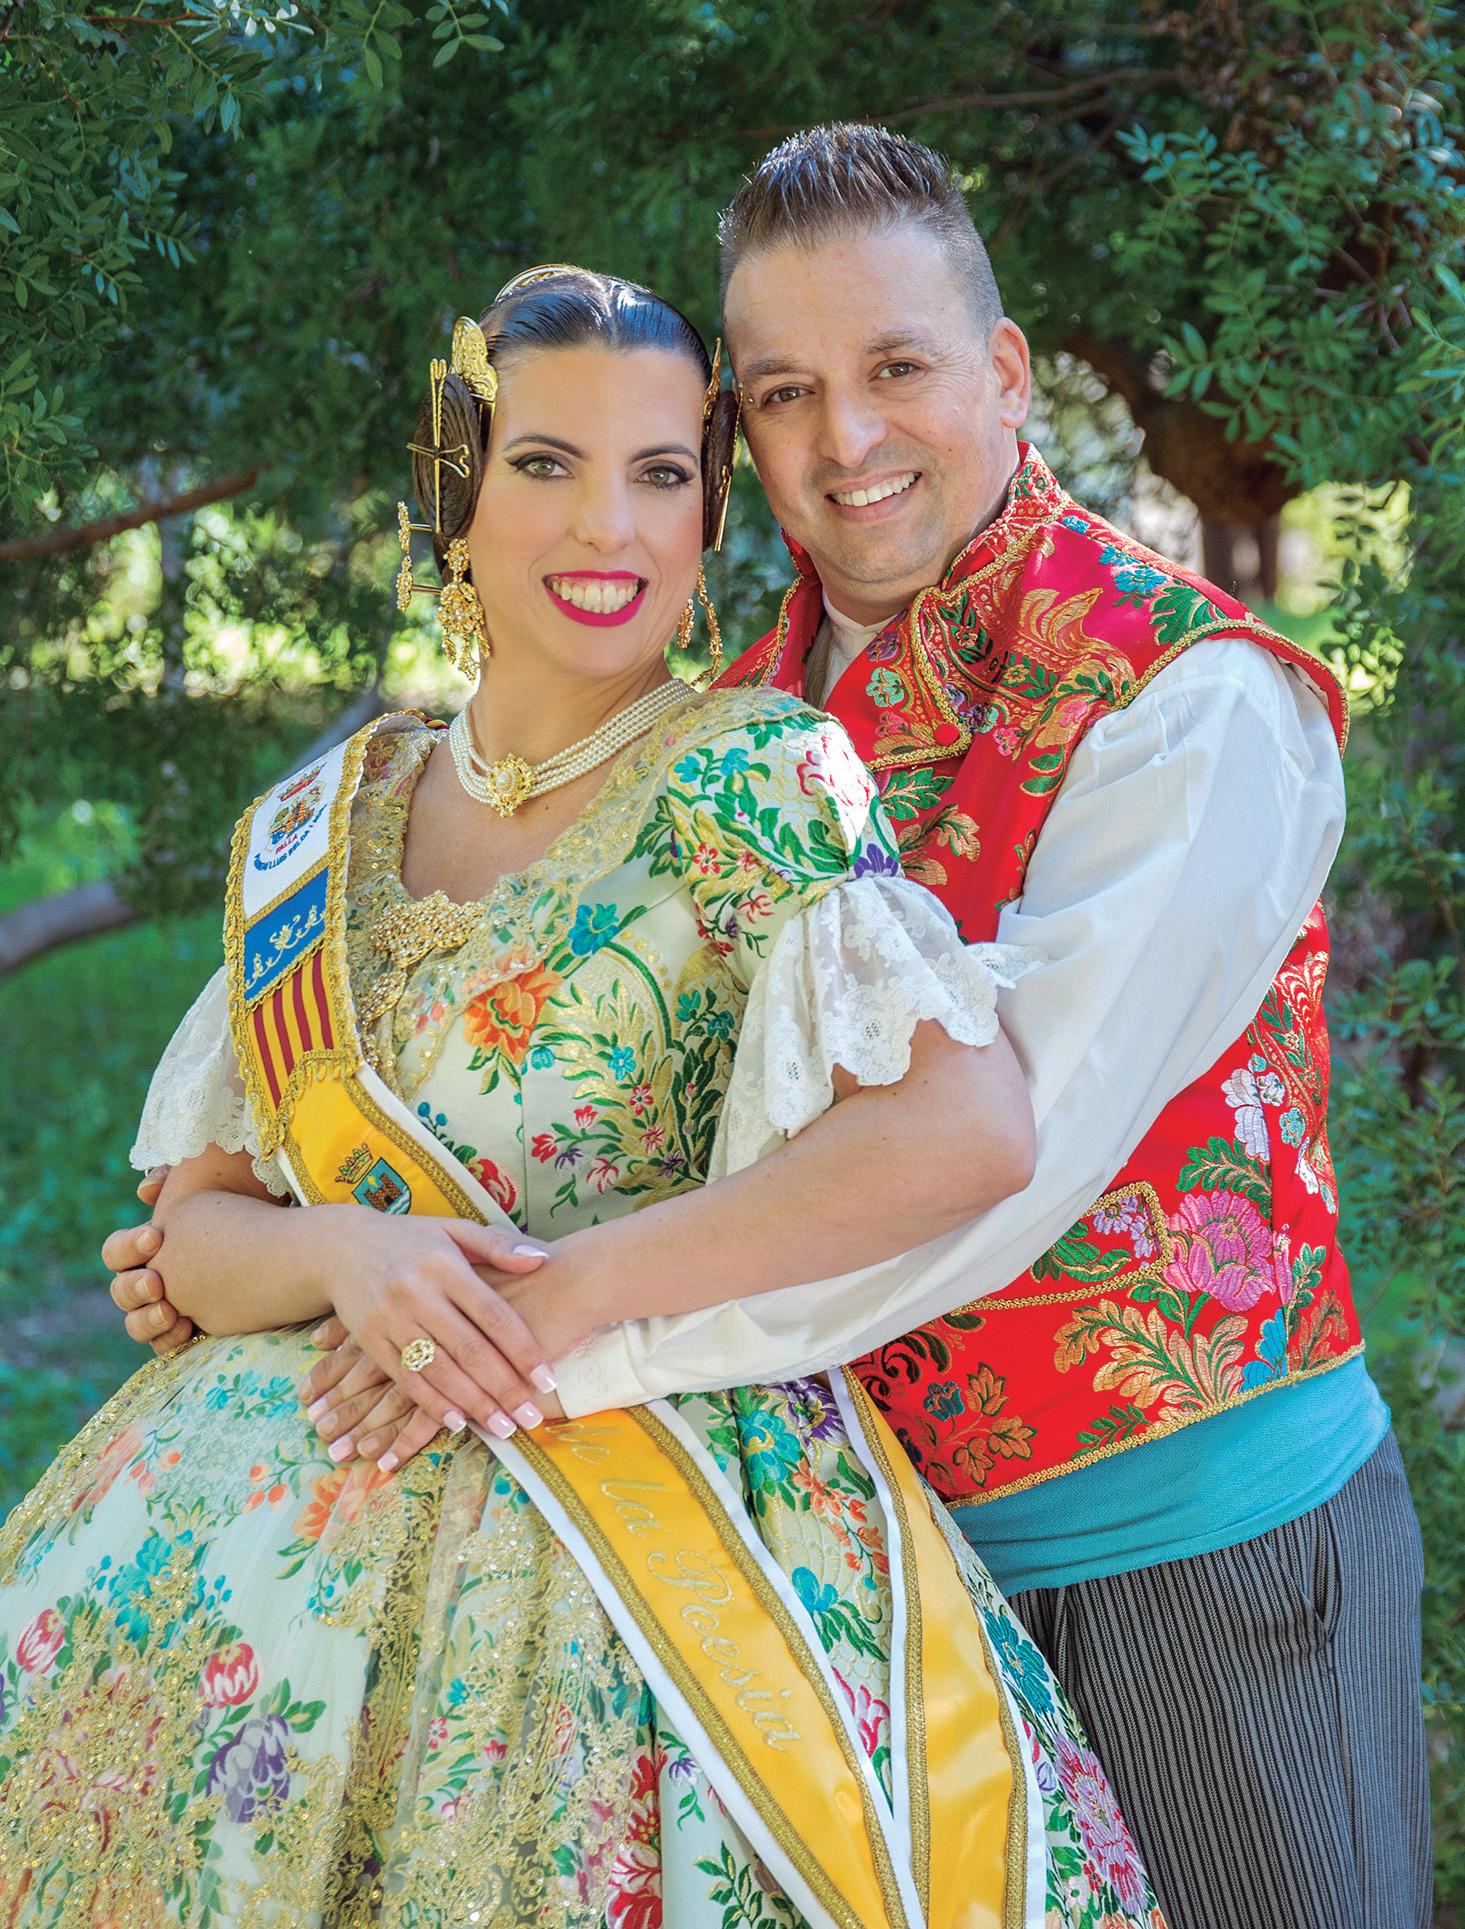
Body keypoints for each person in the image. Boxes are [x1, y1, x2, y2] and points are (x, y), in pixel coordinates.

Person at [247, 125, 1430, 1927]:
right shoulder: (731, 725)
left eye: (896, 368)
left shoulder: (1185, 702)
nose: (846, 439)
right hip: (849, 1567)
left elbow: (992, 1156)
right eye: (786, 393)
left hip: (1188, 1552)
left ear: (1005, 371)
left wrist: (534, 1334)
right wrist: (282, 1239)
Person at [0, 267, 1168, 1928]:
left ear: (708, 515)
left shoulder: (753, 777)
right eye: (546, 464)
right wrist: (347, 1256)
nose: (605, 524)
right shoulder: (326, 821)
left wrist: (552, 1299)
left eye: (659, 472)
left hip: (643, 1560)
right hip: (245, 1582)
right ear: (455, 492)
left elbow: (958, 1129)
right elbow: (190, 1242)